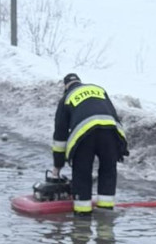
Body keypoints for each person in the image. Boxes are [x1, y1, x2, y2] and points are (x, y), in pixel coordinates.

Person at [51, 73, 129, 216]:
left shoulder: (66, 98)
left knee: (82, 172)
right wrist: (121, 146)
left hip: (85, 135)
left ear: (65, 87)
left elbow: (60, 137)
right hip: (110, 132)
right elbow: (113, 114)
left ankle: (82, 219)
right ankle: (106, 213)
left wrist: (58, 165)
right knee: (108, 170)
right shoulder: (98, 89)